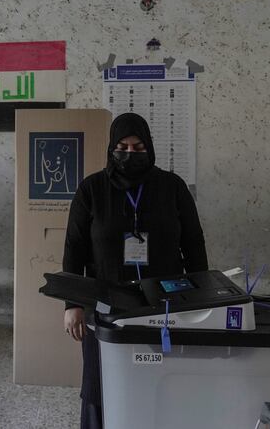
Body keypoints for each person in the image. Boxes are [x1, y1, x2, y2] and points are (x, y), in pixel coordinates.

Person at [62, 112, 208, 429]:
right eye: (123, 147)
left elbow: (194, 243)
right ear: (111, 148)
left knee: (155, 371)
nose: (130, 154)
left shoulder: (172, 187)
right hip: (105, 304)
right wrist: (72, 304)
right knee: (100, 382)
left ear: (150, 147)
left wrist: (203, 299)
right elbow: (74, 248)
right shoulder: (92, 190)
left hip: (164, 304)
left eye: (138, 147)